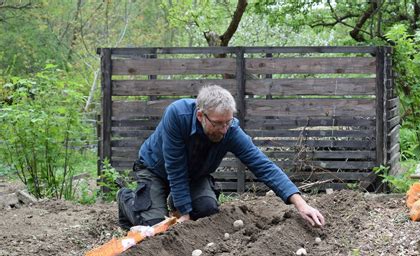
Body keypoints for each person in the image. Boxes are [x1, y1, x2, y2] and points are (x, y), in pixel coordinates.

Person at [117, 85, 325, 229]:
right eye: (218, 123)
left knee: (207, 209)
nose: (224, 129)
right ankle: (127, 199)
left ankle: (178, 202)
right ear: (201, 115)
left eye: (228, 122)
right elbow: (175, 166)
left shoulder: (230, 130)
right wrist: (185, 215)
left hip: (195, 175)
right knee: (154, 226)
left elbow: (262, 164)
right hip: (155, 169)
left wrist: (301, 204)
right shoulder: (177, 115)